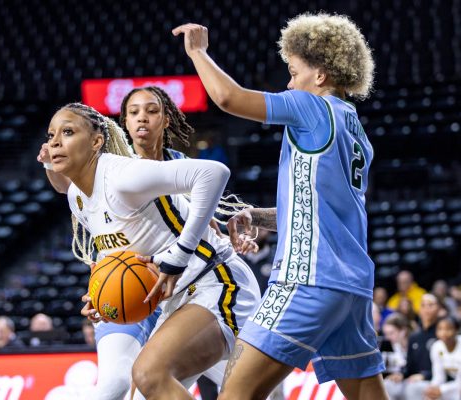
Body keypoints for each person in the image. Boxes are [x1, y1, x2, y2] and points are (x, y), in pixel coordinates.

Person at [173, 13, 388, 399]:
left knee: (235, 394)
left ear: (320, 75)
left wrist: (198, 53)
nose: (289, 82)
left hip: (306, 279)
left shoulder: (311, 107)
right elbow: (327, 211)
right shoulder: (356, 129)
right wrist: (257, 216)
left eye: (293, 71)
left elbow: (228, 98)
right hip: (351, 288)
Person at [38, 87, 262, 399]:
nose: (55, 142)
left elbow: (213, 173)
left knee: (150, 374)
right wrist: (101, 294)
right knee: (141, 391)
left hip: (216, 281)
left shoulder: (123, 176)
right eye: (51, 135)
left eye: (68, 131)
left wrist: (181, 252)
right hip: (177, 298)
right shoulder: (77, 196)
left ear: (96, 141)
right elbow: (115, 254)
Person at [424, 317, 461, 400]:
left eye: (448, 329)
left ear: (456, 330)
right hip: (453, 386)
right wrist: (432, 388)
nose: (443, 333)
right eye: (440, 329)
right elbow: (438, 376)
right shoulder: (436, 347)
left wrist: (441, 389)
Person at [381, 313, 412, 399]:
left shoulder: (413, 344)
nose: (388, 338)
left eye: (391, 333)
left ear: (403, 331)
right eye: (386, 334)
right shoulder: (393, 347)